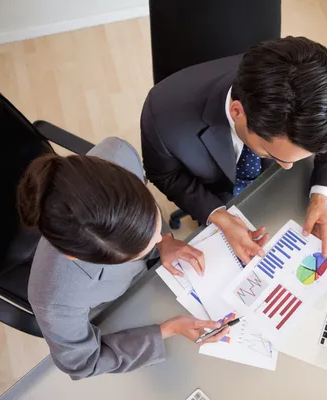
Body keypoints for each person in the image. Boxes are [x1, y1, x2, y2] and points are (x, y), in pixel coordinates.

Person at [20, 137, 230, 380]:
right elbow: (84, 362)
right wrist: (167, 329)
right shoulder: (55, 299)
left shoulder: (120, 153)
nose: (155, 239)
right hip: (121, 311)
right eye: (140, 248)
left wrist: (166, 240)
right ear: (75, 257)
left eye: (152, 223)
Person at [141, 36, 327, 266]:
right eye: (274, 155)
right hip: (215, 191)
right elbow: (164, 174)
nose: (286, 166)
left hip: (279, 197)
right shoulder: (163, 116)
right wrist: (217, 214)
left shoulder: (316, 87)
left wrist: (320, 196)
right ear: (237, 112)